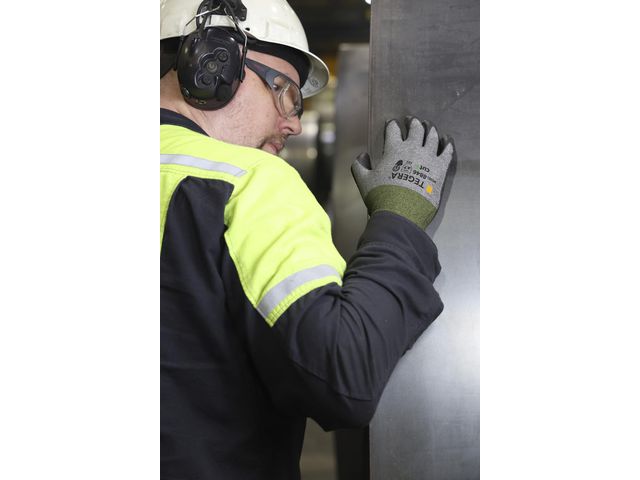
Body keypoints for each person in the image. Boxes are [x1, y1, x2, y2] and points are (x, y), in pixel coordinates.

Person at [160, 0, 455, 478]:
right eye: (284, 93)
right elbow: (342, 372)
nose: (294, 123)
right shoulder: (248, 182)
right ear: (213, 64)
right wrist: (399, 222)